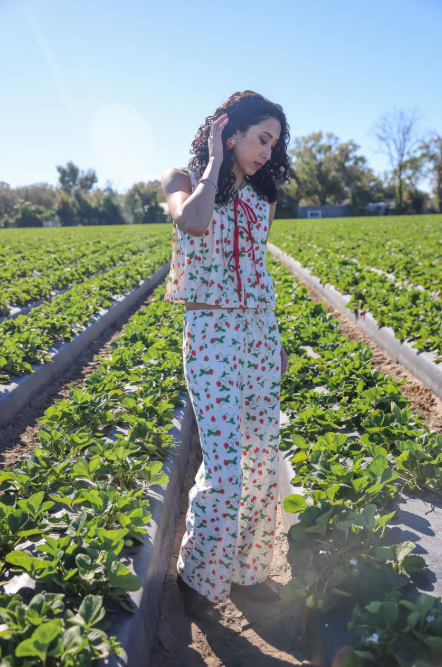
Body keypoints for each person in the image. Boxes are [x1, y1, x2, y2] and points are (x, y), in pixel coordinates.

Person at [161, 90, 291, 626]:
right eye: (261, 138)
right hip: (212, 333)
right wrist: (216, 161)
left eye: (274, 143)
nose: (267, 152)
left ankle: (247, 570)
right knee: (224, 466)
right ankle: (199, 575)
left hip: (259, 331)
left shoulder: (264, 198)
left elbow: (256, 269)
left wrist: (276, 341)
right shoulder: (183, 180)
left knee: (262, 457)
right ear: (230, 131)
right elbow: (193, 223)